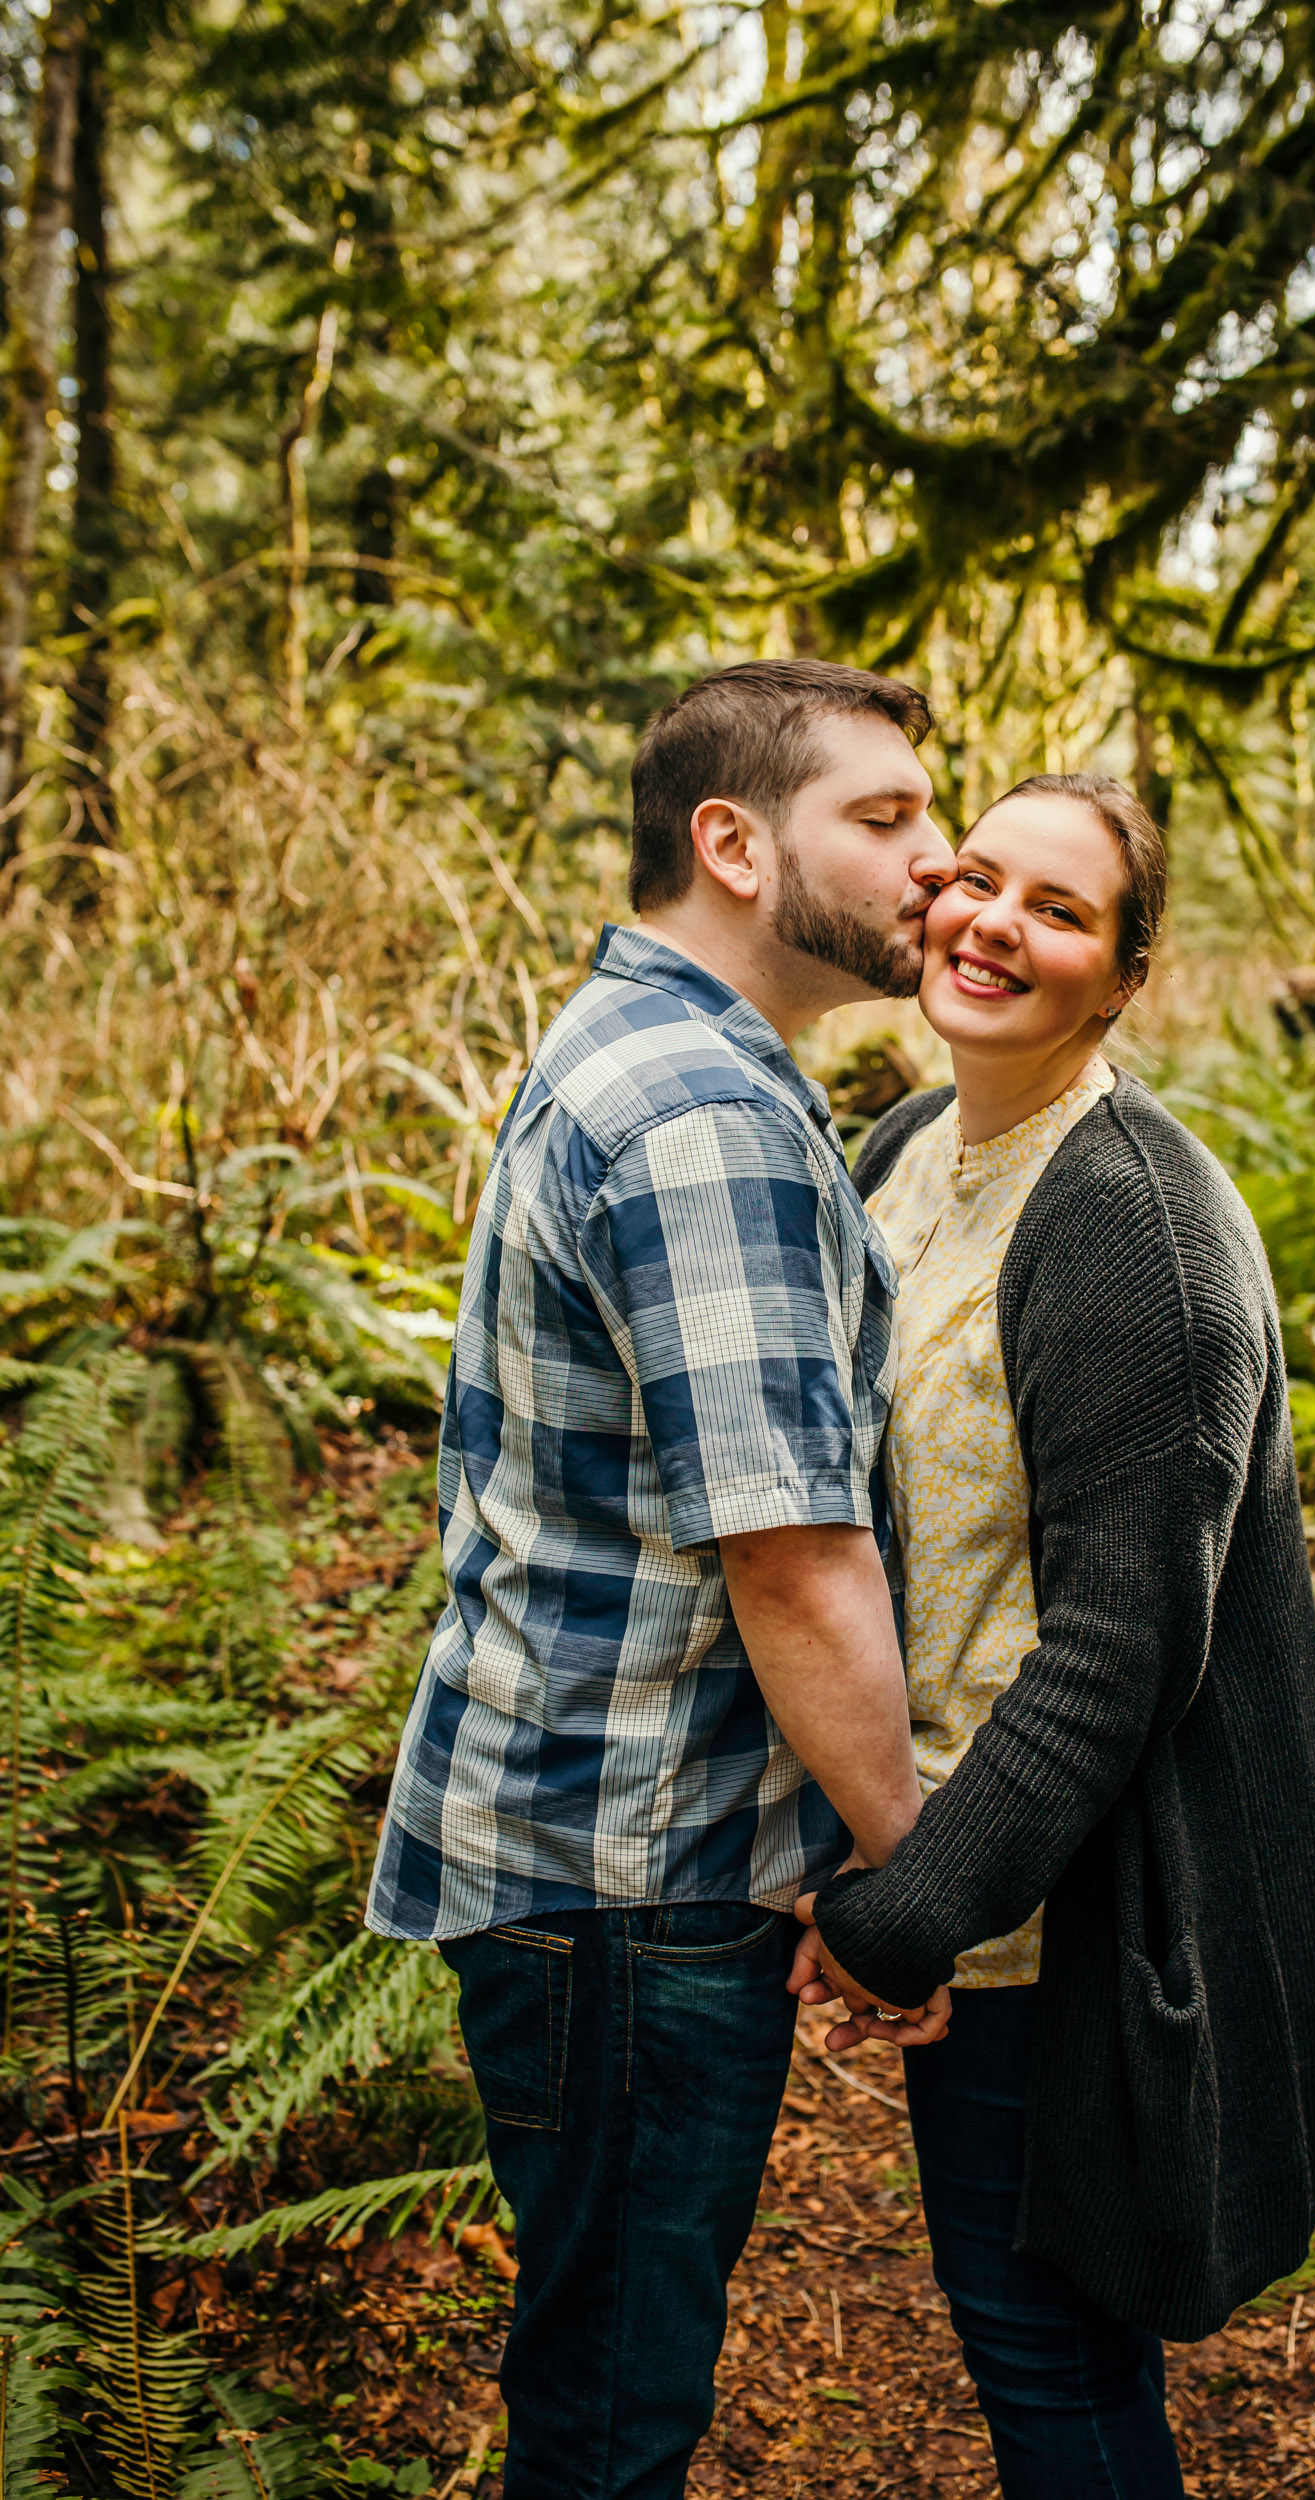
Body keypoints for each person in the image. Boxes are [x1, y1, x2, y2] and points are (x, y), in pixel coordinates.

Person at [367, 658, 957, 2500]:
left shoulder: (651, 1057)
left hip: (592, 1857)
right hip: (634, 1877)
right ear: (734, 843)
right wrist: (912, 1880)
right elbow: (792, 1558)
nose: (936, 863)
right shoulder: (702, 1119)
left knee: (600, 2382)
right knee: (617, 2417)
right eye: (884, 820)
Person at [790, 773, 1315, 2498]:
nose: (992, 925)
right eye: (976, 880)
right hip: (958, 1857)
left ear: (1123, 977)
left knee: (1049, 2354)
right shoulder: (904, 1149)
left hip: (1070, 1912)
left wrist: (911, 1912)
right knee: (1035, 2334)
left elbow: (1125, 1646)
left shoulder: (1138, 1222)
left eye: (1058, 910)